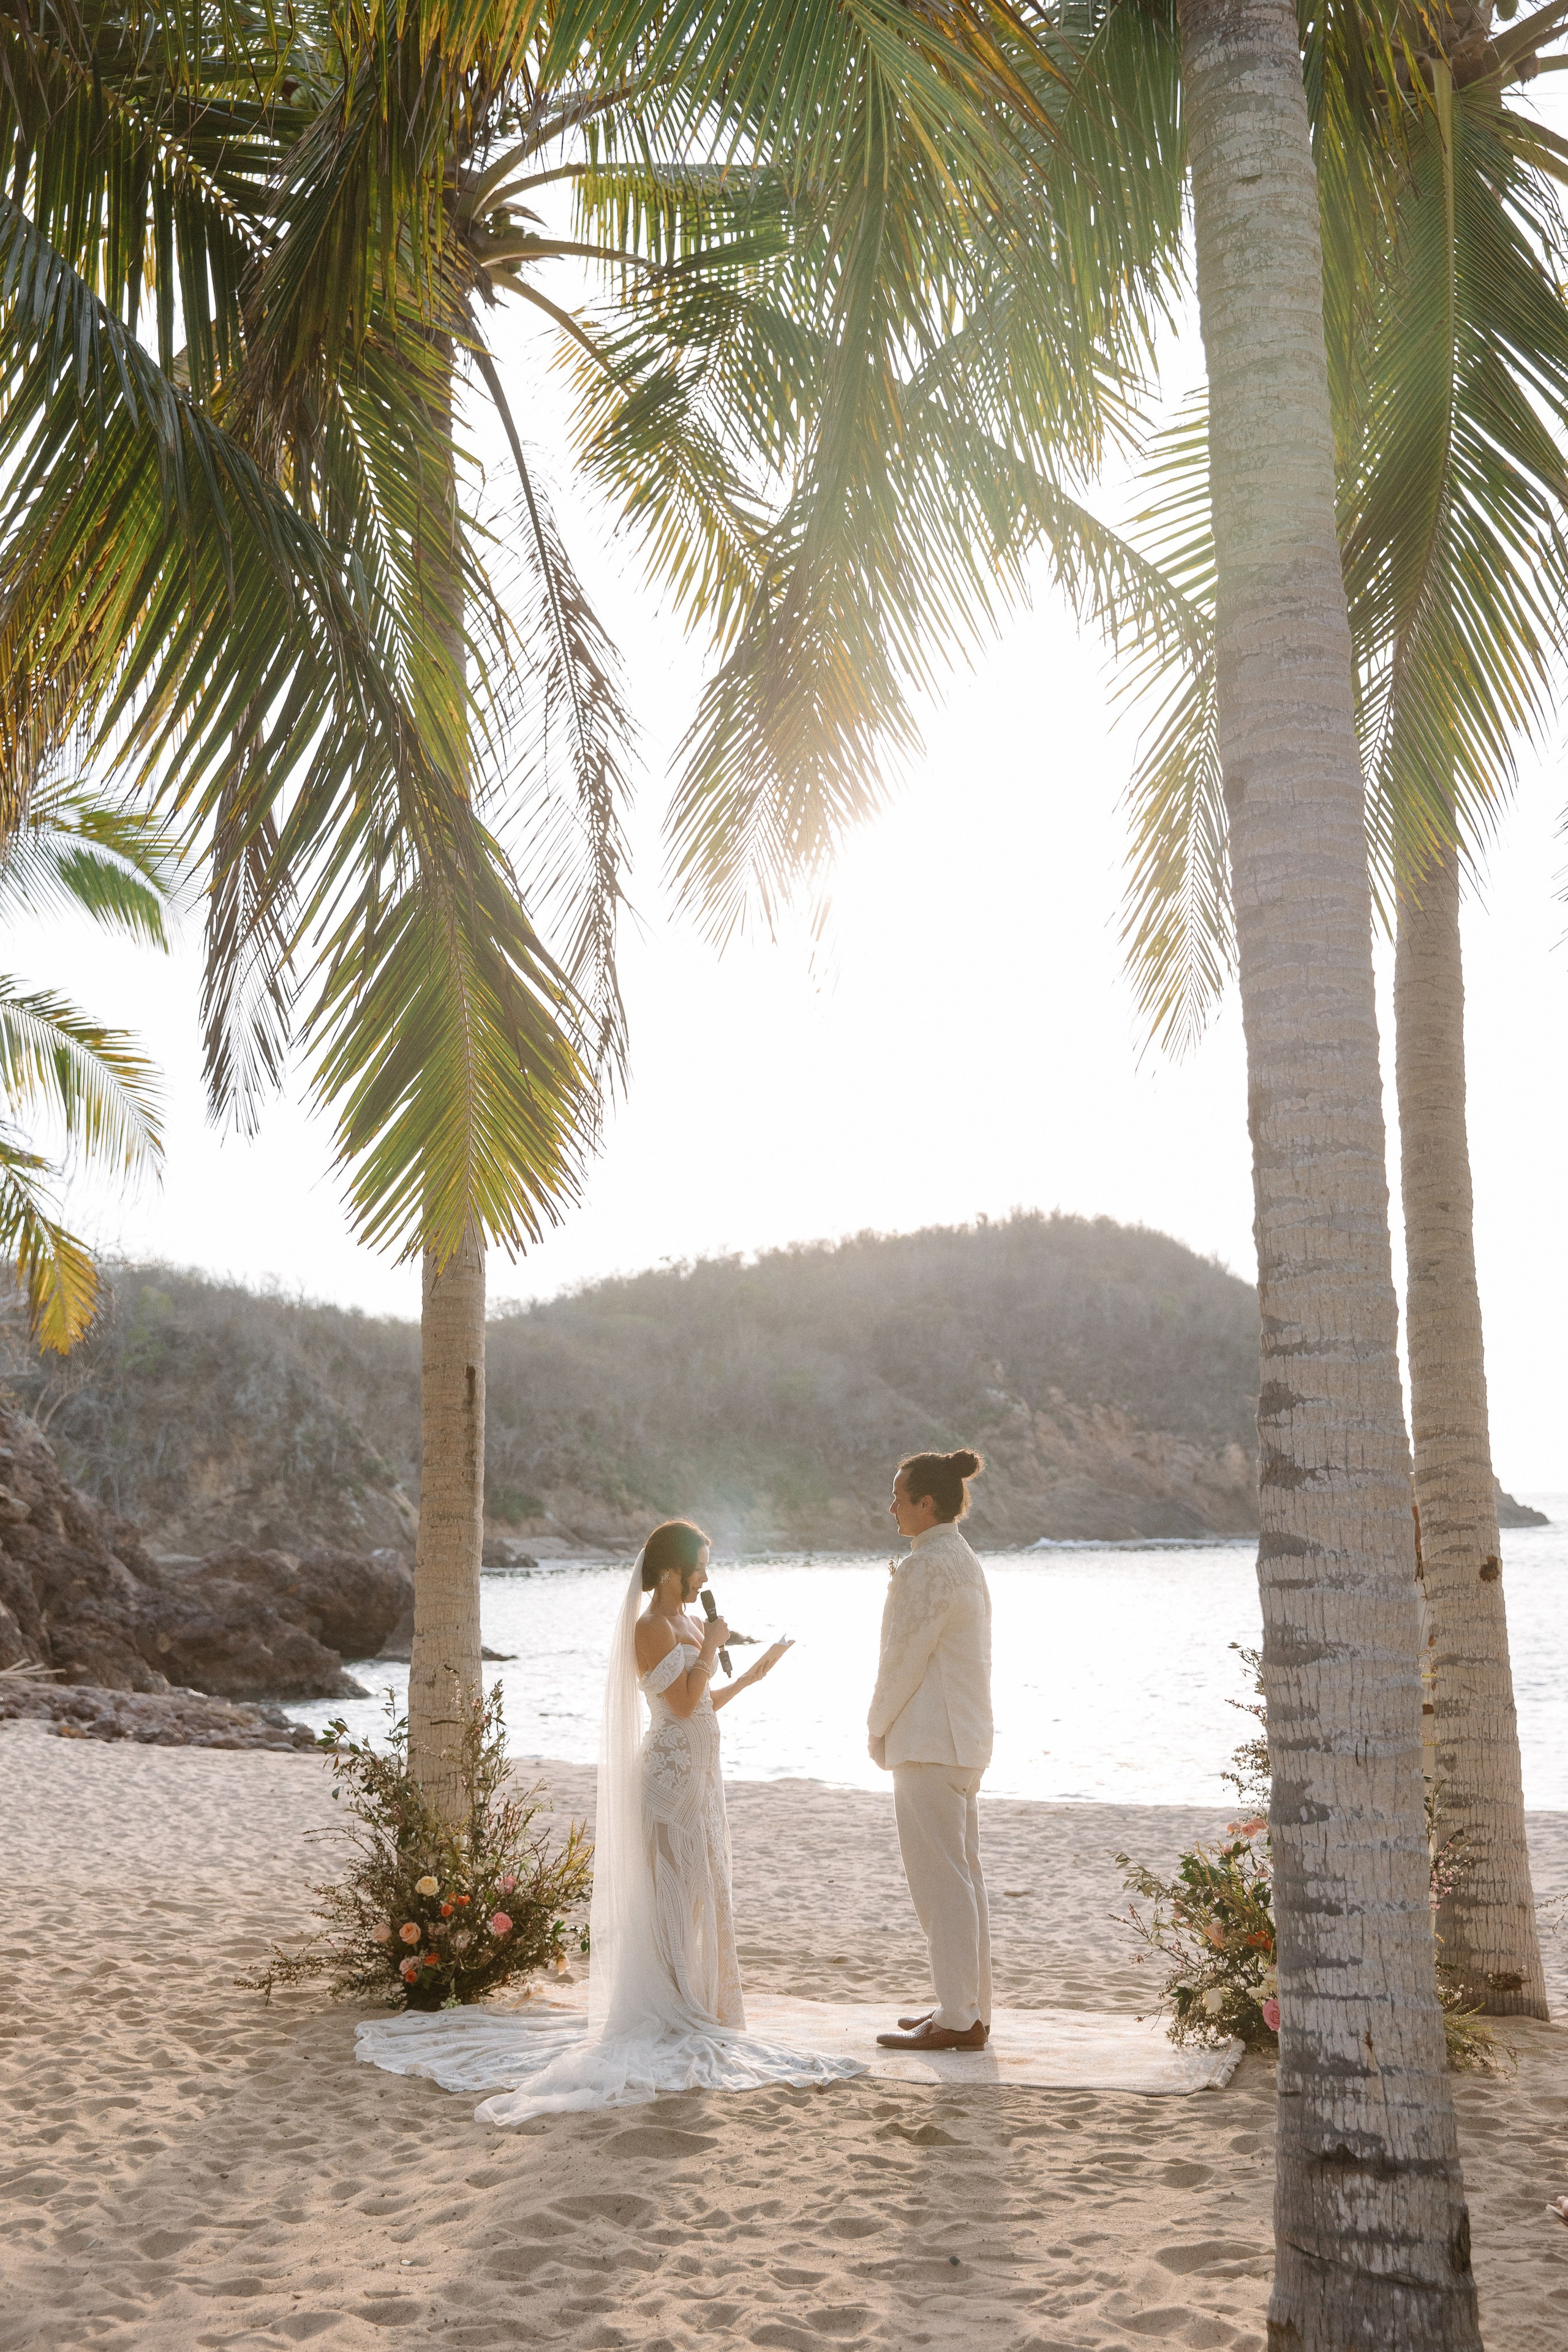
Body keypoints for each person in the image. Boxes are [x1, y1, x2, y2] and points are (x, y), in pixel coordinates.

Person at [354, 1518, 865, 2123]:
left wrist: (751, 1674)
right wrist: (709, 1648)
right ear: (673, 1570)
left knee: (703, 1890)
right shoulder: (649, 1627)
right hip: (668, 1778)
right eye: (702, 1562)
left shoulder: (696, 1623)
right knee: (672, 1891)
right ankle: (671, 2006)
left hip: (703, 1773)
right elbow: (674, 1706)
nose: (709, 1574)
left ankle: (698, 1999)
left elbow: (701, 1701)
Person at [867, 1449, 993, 2052]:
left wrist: (875, 1727)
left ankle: (958, 2016)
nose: (889, 1504)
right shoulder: (962, 1560)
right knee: (961, 1881)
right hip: (963, 1739)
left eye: (898, 1494)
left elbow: (901, 1660)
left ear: (926, 1503)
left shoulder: (927, 1568)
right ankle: (966, 2008)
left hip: (927, 1739)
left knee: (940, 1885)